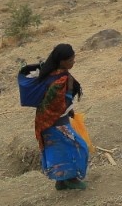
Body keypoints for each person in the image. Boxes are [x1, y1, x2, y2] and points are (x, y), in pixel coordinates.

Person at [31, 44, 88, 191]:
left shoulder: (51, 74)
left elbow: (55, 103)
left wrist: (70, 111)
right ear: (62, 61)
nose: (73, 62)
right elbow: (59, 104)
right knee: (78, 147)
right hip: (56, 123)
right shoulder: (62, 80)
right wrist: (69, 94)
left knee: (57, 150)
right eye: (70, 60)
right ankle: (72, 179)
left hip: (44, 122)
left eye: (73, 59)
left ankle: (61, 181)